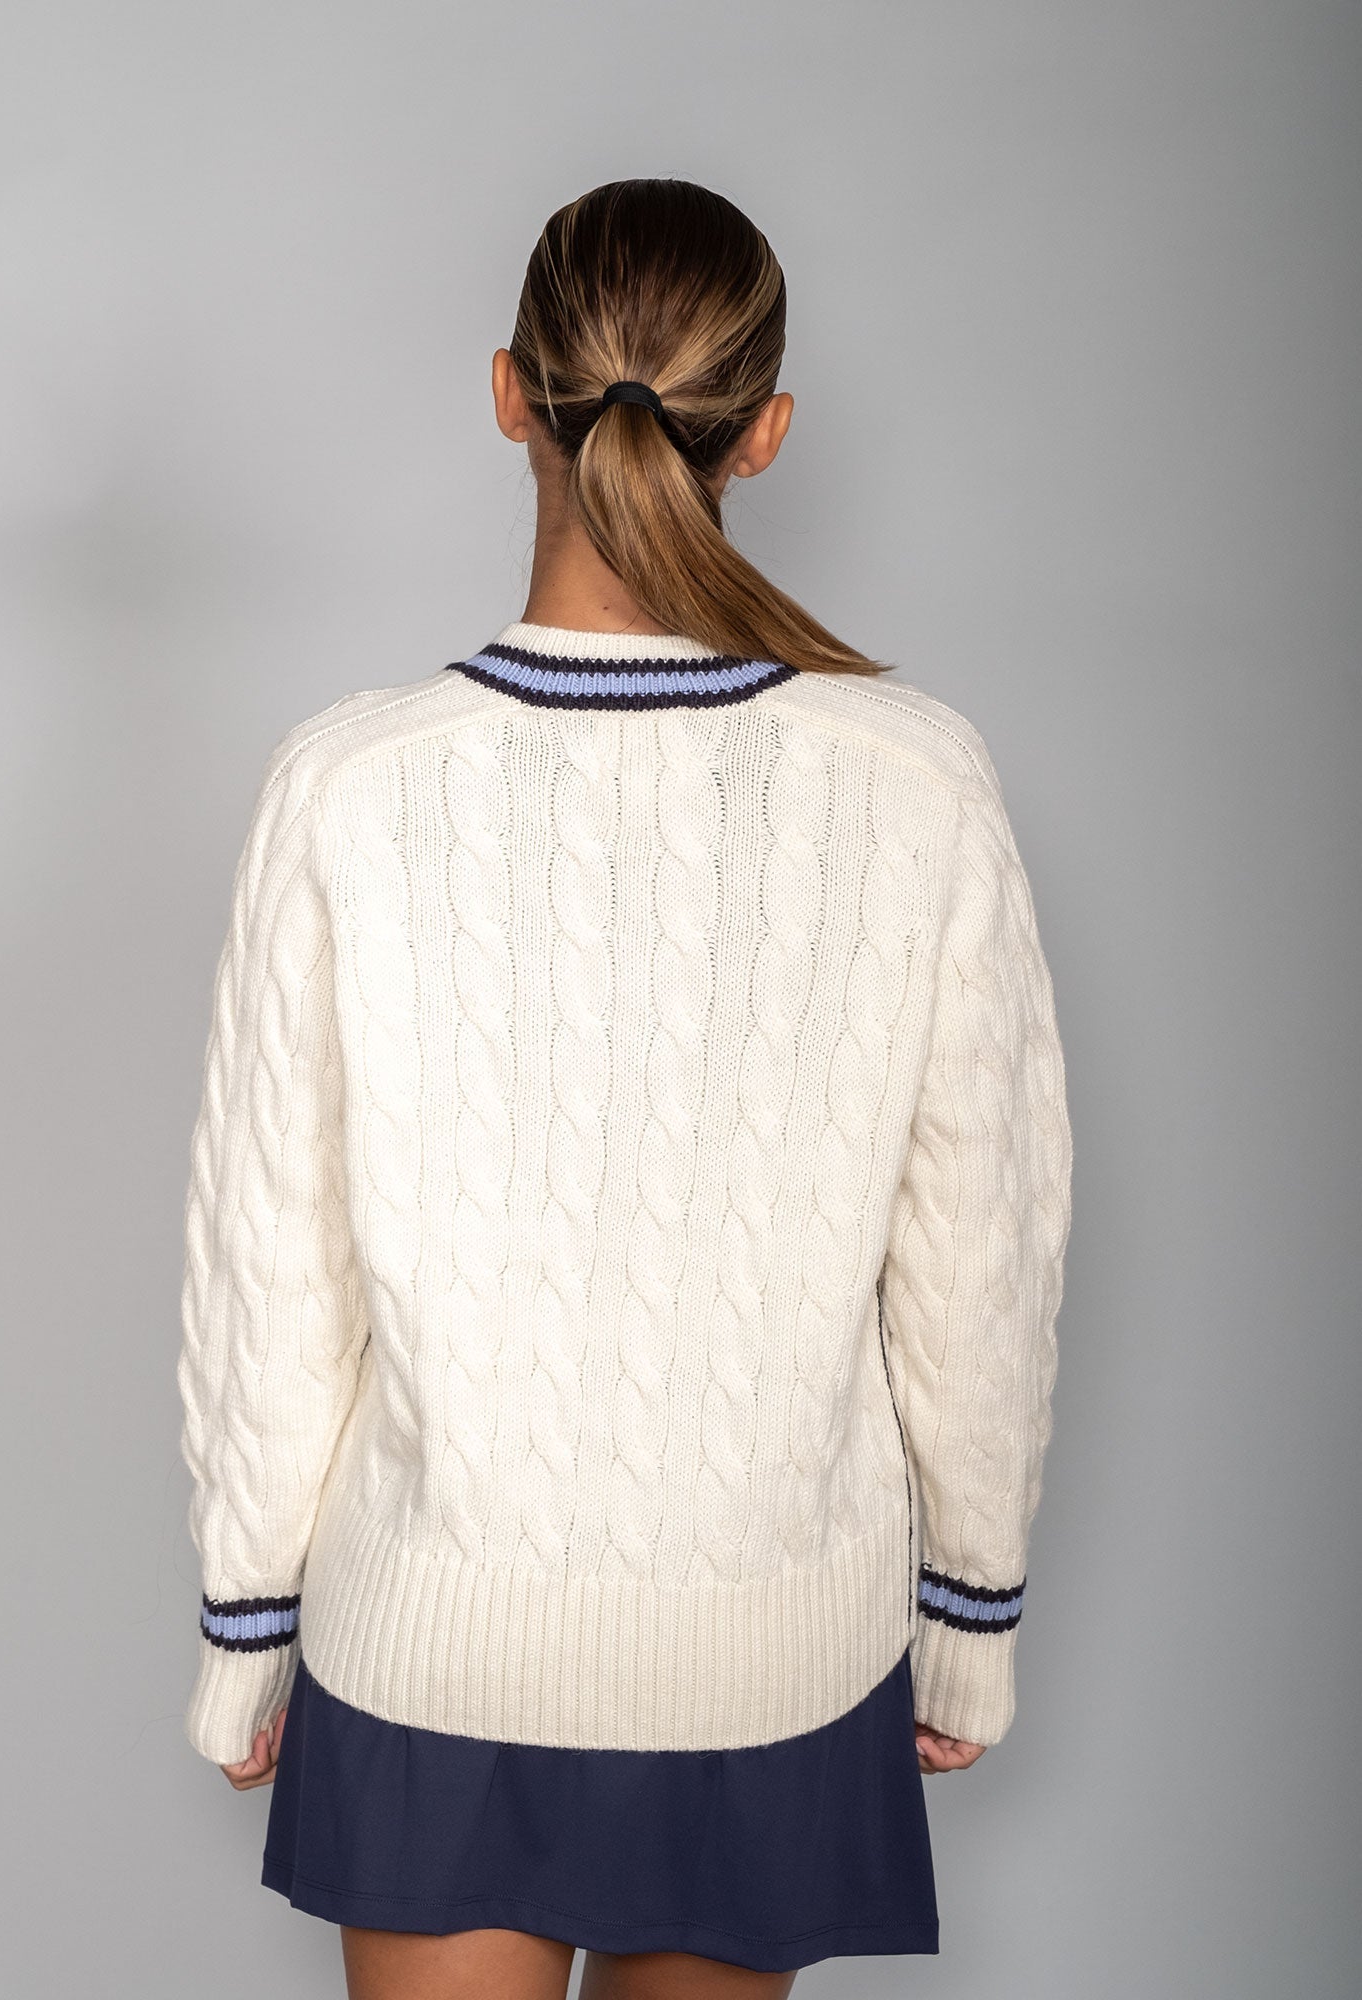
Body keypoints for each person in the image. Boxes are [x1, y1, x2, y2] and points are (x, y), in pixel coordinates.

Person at [176, 177, 1074, 2000]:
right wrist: (970, 1612)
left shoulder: (350, 783)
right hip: (774, 1658)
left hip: (433, 1651)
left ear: (508, 393)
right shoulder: (913, 777)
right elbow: (977, 1246)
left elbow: (275, 1251)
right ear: (768, 428)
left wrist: (245, 1624)